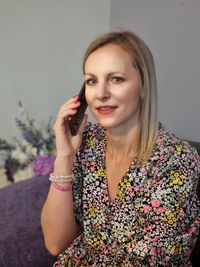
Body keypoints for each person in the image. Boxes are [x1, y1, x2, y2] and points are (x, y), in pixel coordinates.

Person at [41, 31, 200, 266]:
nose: (101, 94)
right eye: (92, 81)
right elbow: (55, 243)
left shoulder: (177, 160)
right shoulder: (86, 143)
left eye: (116, 79)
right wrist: (64, 156)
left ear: (144, 85)